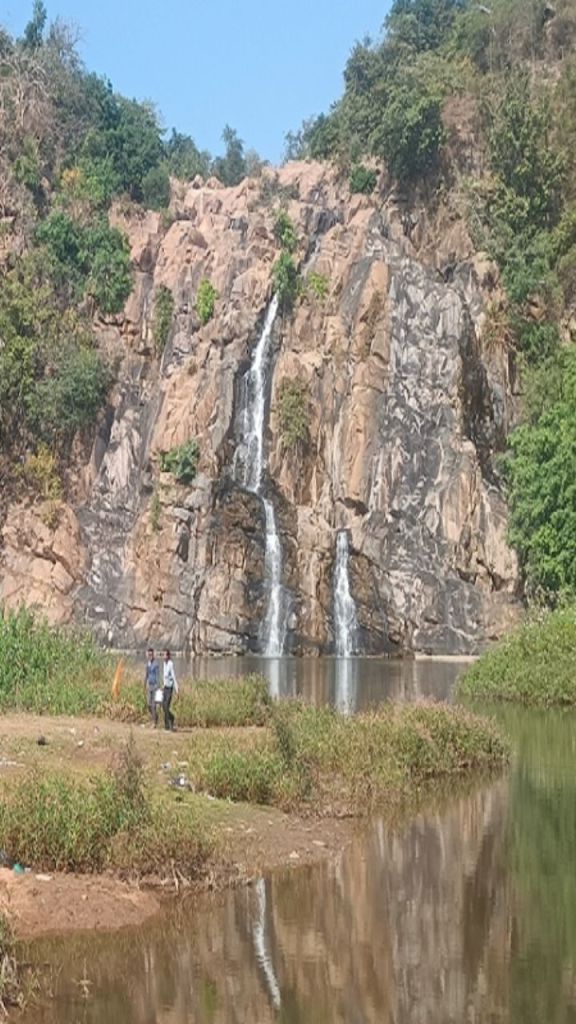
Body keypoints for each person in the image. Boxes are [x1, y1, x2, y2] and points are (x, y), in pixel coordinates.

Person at [144, 647, 161, 727]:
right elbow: (146, 674)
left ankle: (154, 722)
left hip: (154, 686)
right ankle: (155, 718)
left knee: (153, 705)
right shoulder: (148, 664)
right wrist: (144, 684)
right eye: (149, 654)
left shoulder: (156, 664)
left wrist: (158, 686)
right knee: (148, 704)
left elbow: (158, 676)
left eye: (151, 654)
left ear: (153, 654)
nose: (150, 656)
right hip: (149, 685)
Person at [162, 649, 178, 731]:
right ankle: (167, 725)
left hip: (170, 688)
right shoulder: (164, 664)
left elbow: (174, 677)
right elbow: (164, 675)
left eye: (165, 655)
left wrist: (177, 689)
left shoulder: (170, 664)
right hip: (165, 687)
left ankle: (170, 721)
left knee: (166, 706)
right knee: (163, 706)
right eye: (163, 655)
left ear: (168, 656)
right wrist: (162, 685)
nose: (164, 657)